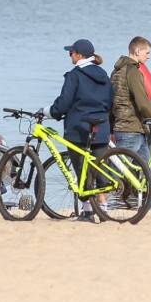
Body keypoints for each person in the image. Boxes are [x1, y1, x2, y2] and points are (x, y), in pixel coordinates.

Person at [48, 39, 114, 223]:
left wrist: (51, 112)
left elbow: (64, 102)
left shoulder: (74, 75)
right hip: (100, 128)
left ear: (78, 55)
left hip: (79, 129)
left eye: (71, 53)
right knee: (102, 171)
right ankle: (104, 211)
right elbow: (110, 100)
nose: (70, 56)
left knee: (81, 170)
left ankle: (87, 212)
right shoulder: (103, 75)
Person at [109, 36, 151, 161]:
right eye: (147, 53)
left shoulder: (116, 72)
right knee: (118, 172)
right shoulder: (132, 71)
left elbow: (111, 102)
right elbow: (143, 103)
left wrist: (110, 128)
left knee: (145, 174)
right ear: (137, 51)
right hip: (130, 129)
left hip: (126, 128)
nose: (148, 56)